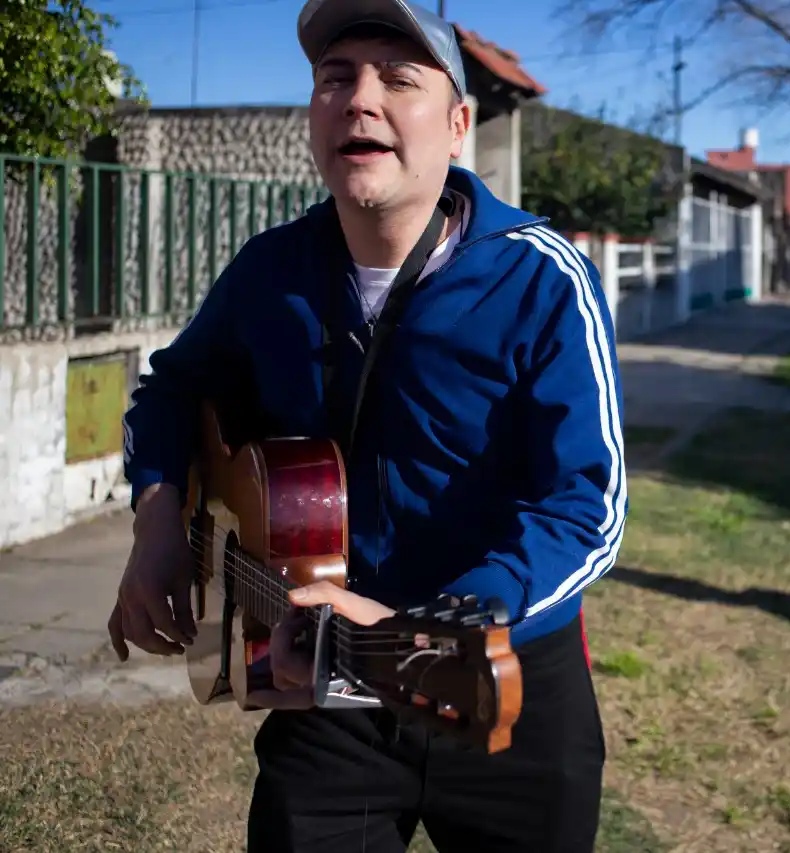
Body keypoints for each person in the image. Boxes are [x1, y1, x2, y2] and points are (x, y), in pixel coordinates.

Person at [108, 1, 626, 850]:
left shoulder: (545, 280)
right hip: (326, 694)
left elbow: (589, 508)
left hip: (505, 691)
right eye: (335, 78)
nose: (360, 99)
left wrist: (437, 623)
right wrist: (157, 517)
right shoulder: (268, 271)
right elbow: (168, 392)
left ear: (458, 125)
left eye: (398, 78)